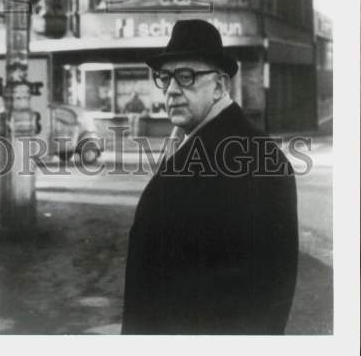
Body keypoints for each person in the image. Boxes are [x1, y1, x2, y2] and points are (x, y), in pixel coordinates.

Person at [122, 18, 298, 334]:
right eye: (166, 78)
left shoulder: (253, 159)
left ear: (219, 86)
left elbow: (260, 296)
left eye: (186, 76)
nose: (172, 90)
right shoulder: (193, 141)